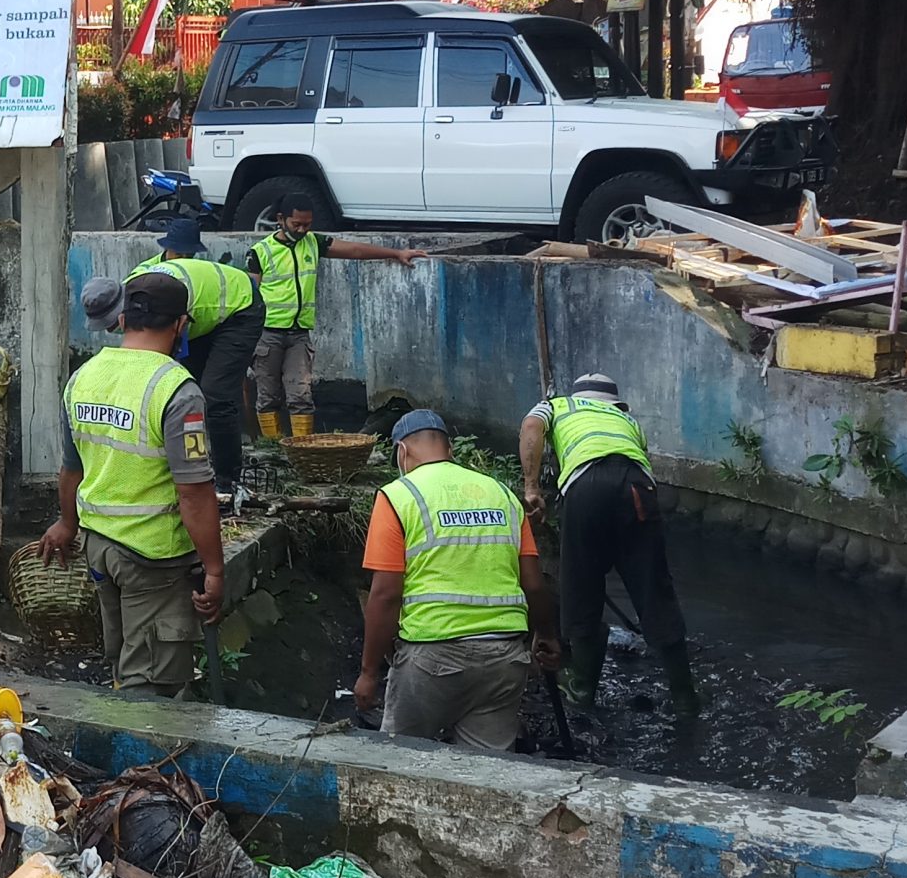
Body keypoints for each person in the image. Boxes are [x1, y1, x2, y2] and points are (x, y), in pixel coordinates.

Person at [41, 272, 226, 695]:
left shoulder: (83, 377)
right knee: (151, 681)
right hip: (152, 556)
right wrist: (214, 569)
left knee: (124, 655)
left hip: (100, 547)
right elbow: (194, 492)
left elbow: (72, 468)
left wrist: (67, 523)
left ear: (123, 320)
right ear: (181, 325)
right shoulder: (176, 389)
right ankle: (140, 758)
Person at [355, 409, 562, 751]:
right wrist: (548, 635)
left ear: (402, 453)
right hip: (504, 659)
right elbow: (534, 584)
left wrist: (369, 672)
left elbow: (386, 595)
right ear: (450, 451)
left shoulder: (397, 495)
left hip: (431, 658)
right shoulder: (503, 494)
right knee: (486, 775)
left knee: (401, 763)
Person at [520, 373, 696, 715]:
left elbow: (531, 428)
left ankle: (582, 689)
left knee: (582, 584)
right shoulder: (627, 420)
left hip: (585, 486)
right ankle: (685, 695)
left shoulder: (558, 405)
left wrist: (531, 488)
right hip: (637, 488)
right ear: (615, 403)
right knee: (653, 587)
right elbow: (634, 467)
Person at [246, 194, 428, 441]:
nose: (302, 230)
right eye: (296, 224)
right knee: (268, 396)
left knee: (301, 395)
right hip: (267, 334)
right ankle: (272, 446)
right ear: (281, 219)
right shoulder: (260, 252)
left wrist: (396, 253)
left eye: (307, 225)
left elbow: (354, 250)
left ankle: (302, 447)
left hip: (299, 333)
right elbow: (250, 296)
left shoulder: (313, 243)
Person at [130, 217, 263, 495]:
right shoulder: (138, 279)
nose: (183, 257)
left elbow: (175, 343)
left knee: (215, 395)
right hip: (205, 316)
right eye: (180, 253)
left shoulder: (179, 289)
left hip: (240, 311)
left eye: (186, 254)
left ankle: (228, 481)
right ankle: (188, 468)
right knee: (183, 391)